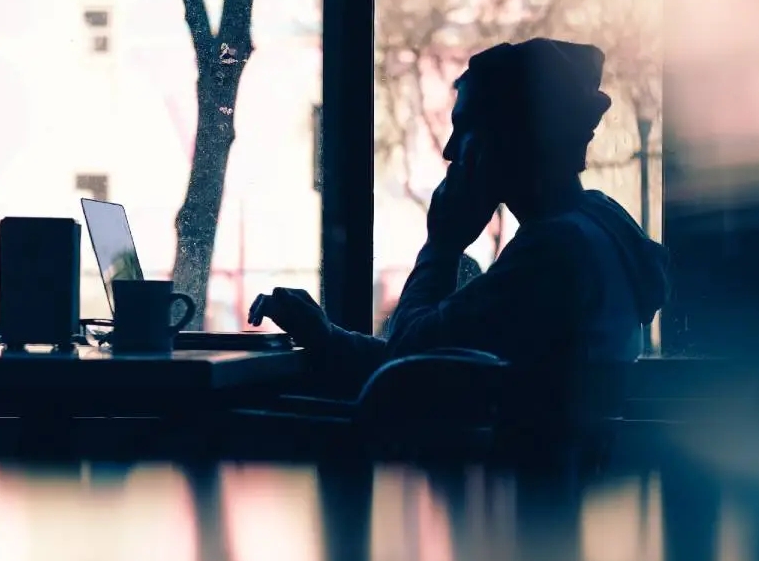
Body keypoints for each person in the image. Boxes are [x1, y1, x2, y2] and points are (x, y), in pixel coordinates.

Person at [249, 38, 669, 395]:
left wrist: (442, 246)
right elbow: (435, 352)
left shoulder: (552, 251)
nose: (450, 150)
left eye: (465, 127)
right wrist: (327, 337)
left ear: (513, 136)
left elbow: (405, 366)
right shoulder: (596, 223)